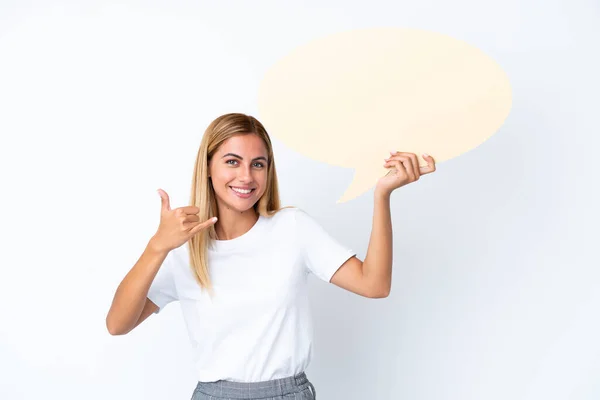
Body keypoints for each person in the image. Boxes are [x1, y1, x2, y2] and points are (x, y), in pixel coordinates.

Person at [105, 113, 436, 400]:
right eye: (232, 161)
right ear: (208, 167)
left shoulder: (292, 229)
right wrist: (157, 247)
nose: (246, 176)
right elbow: (117, 324)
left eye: (257, 164)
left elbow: (374, 284)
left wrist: (382, 195)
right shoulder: (184, 249)